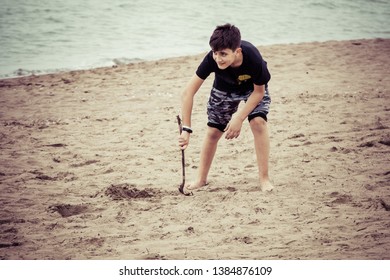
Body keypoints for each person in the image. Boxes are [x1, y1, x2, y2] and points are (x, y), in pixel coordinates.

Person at [178, 23, 274, 194]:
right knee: (214, 132)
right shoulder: (212, 59)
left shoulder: (253, 58)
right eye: (215, 53)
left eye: (223, 54)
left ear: (237, 51)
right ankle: (201, 179)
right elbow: (188, 92)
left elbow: (259, 92)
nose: (218, 58)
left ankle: (264, 178)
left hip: (252, 90)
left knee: (258, 122)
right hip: (224, 89)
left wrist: (239, 117)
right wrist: (186, 128)